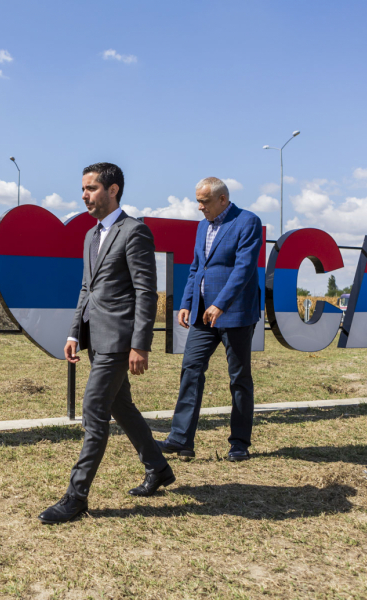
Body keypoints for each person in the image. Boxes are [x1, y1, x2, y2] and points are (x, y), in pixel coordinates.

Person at [38, 162, 173, 525]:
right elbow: (87, 288)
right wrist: (74, 333)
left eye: (91, 188)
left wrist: (140, 345)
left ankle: (76, 496)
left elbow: (146, 292)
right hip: (95, 338)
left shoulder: (135, 232)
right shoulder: (90, 235)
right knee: (121, 406)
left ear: (113, 190)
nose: (84, 195)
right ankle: (158, 467)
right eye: (83, 189)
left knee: (94, 410)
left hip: (119, 339)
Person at [158, 177, 263, 462]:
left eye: (204, 201)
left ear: (222, 199)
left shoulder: (247, 222)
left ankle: (239, 444)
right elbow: (196, 268)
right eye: (198, 201)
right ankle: (181, 440)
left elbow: (244, 268)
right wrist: (186, 303)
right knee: (190, 369)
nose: (199, 207)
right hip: (202, 315)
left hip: (236, 314)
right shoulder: (203, 226)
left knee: (239, 378)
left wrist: (220, 304)